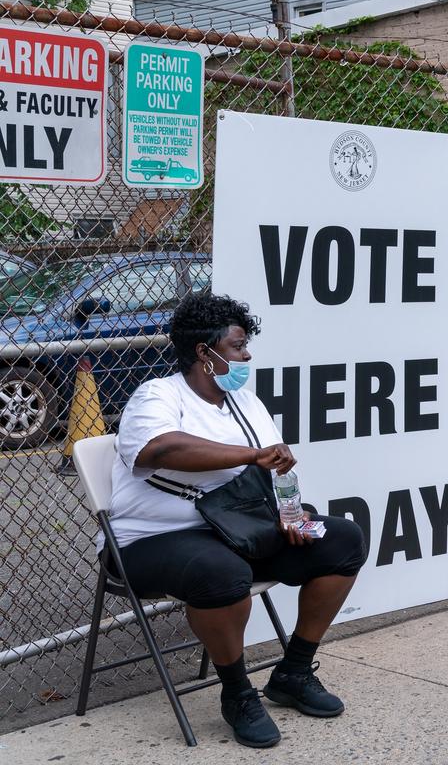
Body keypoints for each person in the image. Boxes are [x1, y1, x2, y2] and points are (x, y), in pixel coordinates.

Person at [102, 292, 367, 748]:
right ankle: (238, 694)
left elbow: (271, 474)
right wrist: (252, 454)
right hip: (152, 541)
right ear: (205, 353)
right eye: (238, 346)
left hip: (239, 531)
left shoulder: (246, 402)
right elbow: (160, 449)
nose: (246, 355)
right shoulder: (158, 395)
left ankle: (294, 672)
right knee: (221, 572)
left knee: (341, 538)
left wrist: (291, 514)